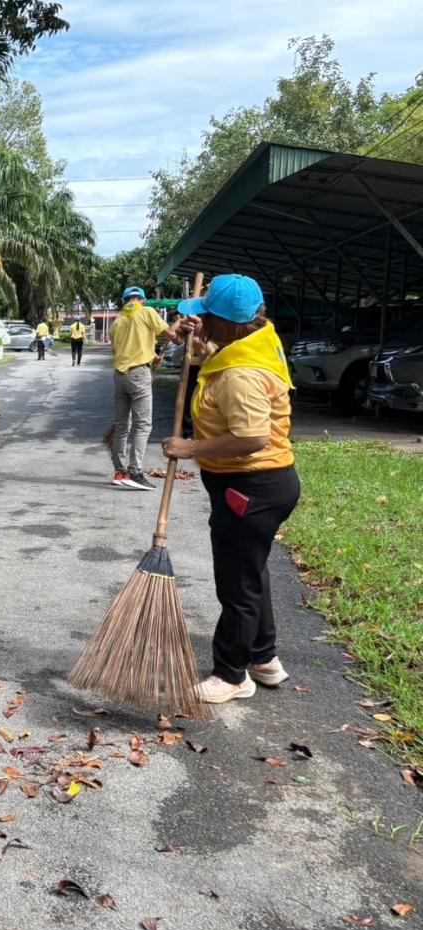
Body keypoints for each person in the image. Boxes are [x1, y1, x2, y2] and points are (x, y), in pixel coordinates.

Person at [160, 274, 299, 705]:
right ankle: (264, 658)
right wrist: (197, 343)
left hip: (250, 486)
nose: (202, 323)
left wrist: (191, 446)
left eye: (208, 318)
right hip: (263, 483)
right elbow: (221, 359)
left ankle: (232, 674)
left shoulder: (242, 373)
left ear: (229, 322)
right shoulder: (256, 338)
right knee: (251, 572)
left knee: (236, 582)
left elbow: (252, 437)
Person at [109, 286, 173, 491]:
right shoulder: (146, 312)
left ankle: (120, 472)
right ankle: (135, 472)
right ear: (143, 300)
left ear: (124, 301)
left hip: (120, 376)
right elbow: (171, 335)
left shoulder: (117, 321)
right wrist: (178, 329)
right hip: (138, 375)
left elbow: (120, 351)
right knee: (143, 425)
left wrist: (153, 357)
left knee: (121, 426)